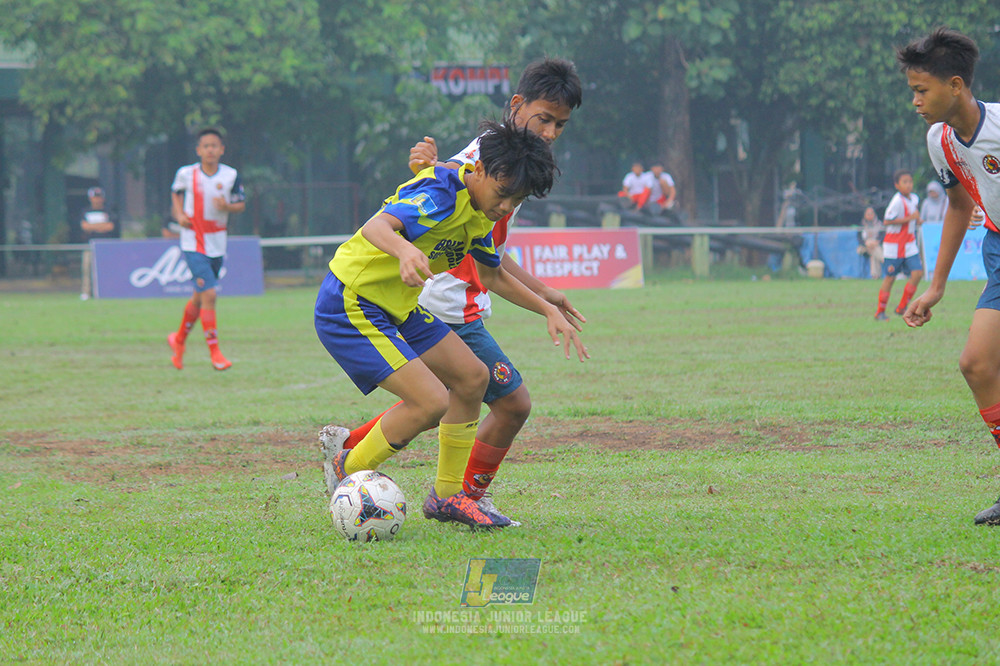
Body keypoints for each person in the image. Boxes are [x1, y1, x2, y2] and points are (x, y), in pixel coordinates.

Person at [320, 57, 586, 527]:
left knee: (470, 378)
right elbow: (378, 225)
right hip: (353, 300)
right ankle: (350, 467)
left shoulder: (485, 203)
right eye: (503, 195)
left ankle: (446, 496)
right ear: (481, 170)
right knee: (432, 402)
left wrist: (546, 305)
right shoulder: (447, 189)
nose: (505, 207)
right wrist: (403, 251)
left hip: (399, 307)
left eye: (515, 202)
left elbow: (494, 273)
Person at [897, 28, 1000, 525]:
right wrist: (935, 286)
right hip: (999, 249)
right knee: (976, 365)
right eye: (913, 91)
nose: (915, 101)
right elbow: (959, 204)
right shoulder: (939, 140)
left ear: (955, 84)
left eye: (922, 90)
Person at [166, 128, 245, 371]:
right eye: (206, 146)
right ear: (199, 150)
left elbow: (240, 204)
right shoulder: (186, 174)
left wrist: (227, 206)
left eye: (215, 146)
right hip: (193, 241)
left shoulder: (231, 176)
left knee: (200, 297)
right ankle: (215, 354)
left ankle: (178, 340)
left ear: (221, 150)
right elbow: (176, 195)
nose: (210, 150)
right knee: (210, 295)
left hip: (217, 243)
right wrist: (179, 214)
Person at [874, 169, 922, 320]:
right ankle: (880, 312)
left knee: (918, 273)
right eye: (904, 182)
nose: (908, 185)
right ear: (897, 185)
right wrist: (910, 218)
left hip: (909, 243)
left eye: (910, 181)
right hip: (894, 246)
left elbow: (914, 214)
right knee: (890, 277)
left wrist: (917, 219)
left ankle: (902, 307)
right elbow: (887, 221)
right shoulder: (896, 202)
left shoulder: (914, 198)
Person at [78, 186, 117, 300]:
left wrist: (93, 227)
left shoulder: (108, 211)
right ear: (90, 198)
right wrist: (100, 226)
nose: (97, 200)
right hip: (89, 245)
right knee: (87, 268)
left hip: (105, 245)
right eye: (95, 197)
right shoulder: (86, 211)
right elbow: (84, 226)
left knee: (107, 268)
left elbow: (110, 226)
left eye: (99, 197)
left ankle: (108, 290)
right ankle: (86, 292)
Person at [860, 205, 884, 280]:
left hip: (875, 245)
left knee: (873, 252)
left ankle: (875, 276)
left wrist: (876, 242)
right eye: (868, 214)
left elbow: (882, 235)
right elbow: (859, 238)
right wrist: (866, 243)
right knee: (873, 249)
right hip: (864, 247)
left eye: (871, 213)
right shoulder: (862, 224)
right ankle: (885, 261)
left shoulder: (879, 224)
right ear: (865, 215)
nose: (870, 215)